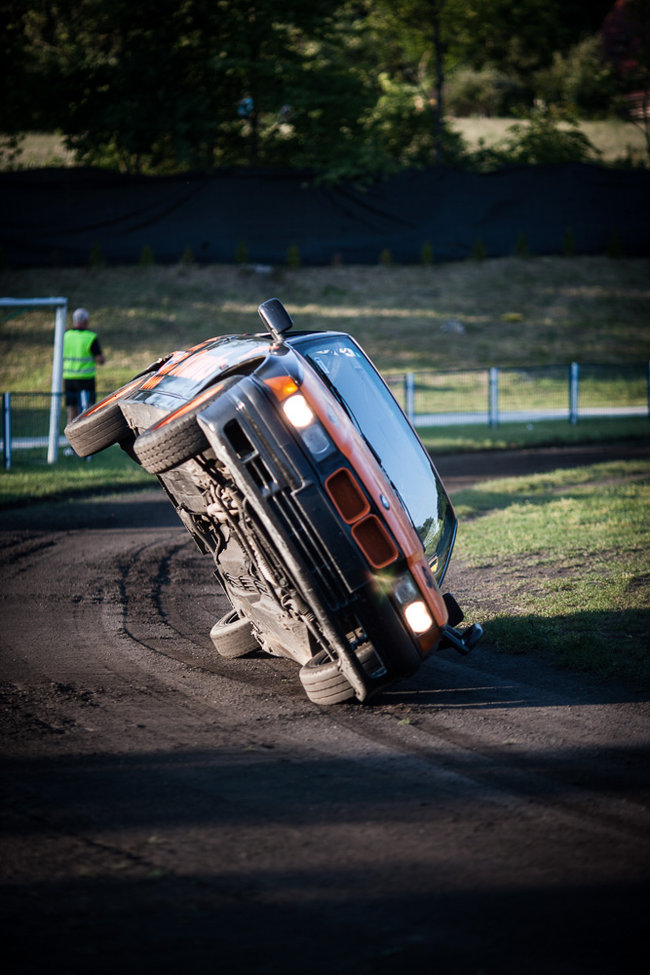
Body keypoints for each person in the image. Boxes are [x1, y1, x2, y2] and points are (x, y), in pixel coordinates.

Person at [63, 307, 105, 425]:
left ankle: (71, 436)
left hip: (69, 378)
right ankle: (88, 434)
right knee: (88, 411)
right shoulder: (90, 337)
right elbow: (100, 359)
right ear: (86, 320)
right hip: (86, 379)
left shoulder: (66, 336)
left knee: (72, 412)